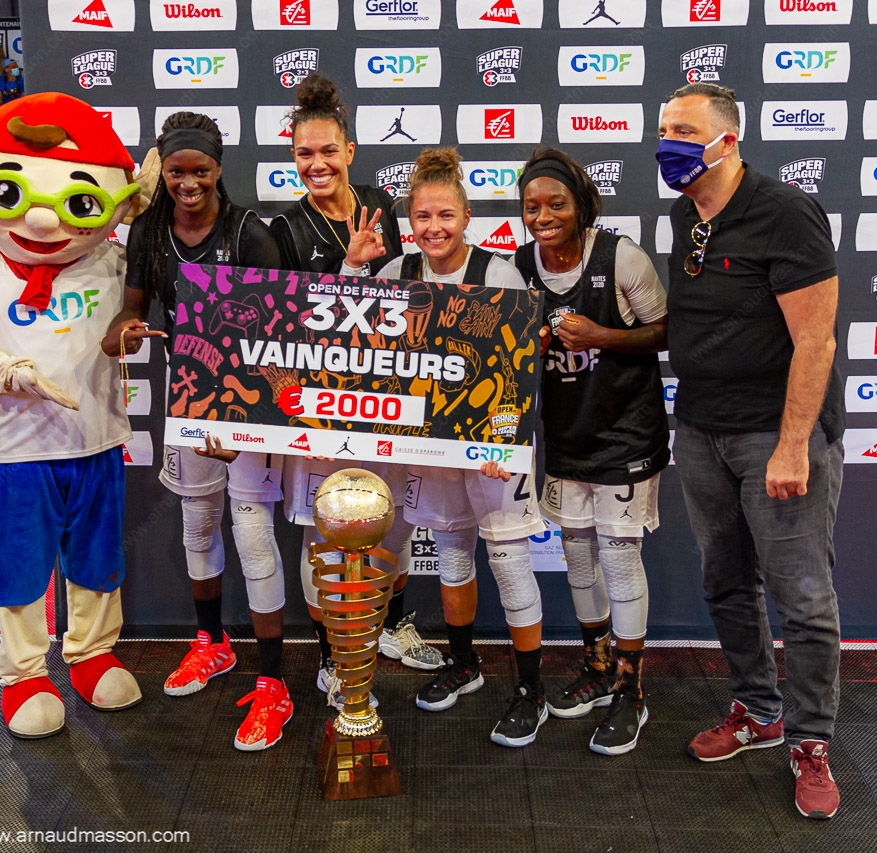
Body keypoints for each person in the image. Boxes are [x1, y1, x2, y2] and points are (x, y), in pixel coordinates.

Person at [657, 82, 843, 820]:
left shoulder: (786, 212)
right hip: (701, 428)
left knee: (803, 598)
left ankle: (812, 741)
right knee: (726, 582)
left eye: (684, 131)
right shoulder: (685, 213)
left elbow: (816, 340)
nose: (668, 142)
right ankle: (758, 710)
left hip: (775, 434)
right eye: (664, 128)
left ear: (728, 141)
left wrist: (794, 445)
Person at [0, 93, 145, 739]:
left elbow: (148, 306)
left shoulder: (113, 261)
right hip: (18, 447)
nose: (44, 220)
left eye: (76, 203)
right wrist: (9, 371)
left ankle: (90, 653)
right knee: (20, 564)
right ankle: (23, 671)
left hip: (97, 439)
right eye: (12, 195)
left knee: (97, 558)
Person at [339, 148, 549, 747]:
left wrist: (507, 438)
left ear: (467, 216)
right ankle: (464, 663)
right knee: (453, 551)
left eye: (446, 215)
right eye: (423, 216)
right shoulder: (396, 272)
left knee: (508, 560)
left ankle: (531, 690)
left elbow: (520, 371)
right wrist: (352, 267)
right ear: (409, 220)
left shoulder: (498, 275)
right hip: (431, 448)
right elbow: (343, 334)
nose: (434, 228)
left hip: (492, 449)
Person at [107, 112, 299, 752]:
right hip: (189, 399)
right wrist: (123, 332)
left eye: (201, 171)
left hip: (249, 404)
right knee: (197, 523)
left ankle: (273, 684)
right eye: (176, 171)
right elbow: (130, 314)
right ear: (162, 170)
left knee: (251, 532)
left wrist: (241, 418)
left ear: (219, 169)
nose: (188, 183)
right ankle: (212, 643)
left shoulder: (249, 233)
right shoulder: (149, 232)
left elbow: (282, 336)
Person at [268, 74, 445, 692]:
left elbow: (412, 294)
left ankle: (391, 626)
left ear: (349, 150)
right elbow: (290, 324)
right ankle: (331, 651)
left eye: (327, 151)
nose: (316, 164)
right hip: (320, 407)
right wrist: (348, 269)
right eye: (303, 153)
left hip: (389, 398)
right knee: (326, 530)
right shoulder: (284, 229)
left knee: (394, 521)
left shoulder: (383, 206)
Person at [504, 147, 669, 756]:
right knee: (577, 555)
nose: (542, 216)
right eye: (531, 206)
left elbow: (667, 329)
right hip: (566, 434)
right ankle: (598, 667)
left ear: (581, 205)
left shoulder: (619, 255)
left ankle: (632, 689)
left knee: (620, 559)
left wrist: (603, 335)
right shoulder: (519, 267)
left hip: (626, 431)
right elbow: (505, 351)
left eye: (556, 204)